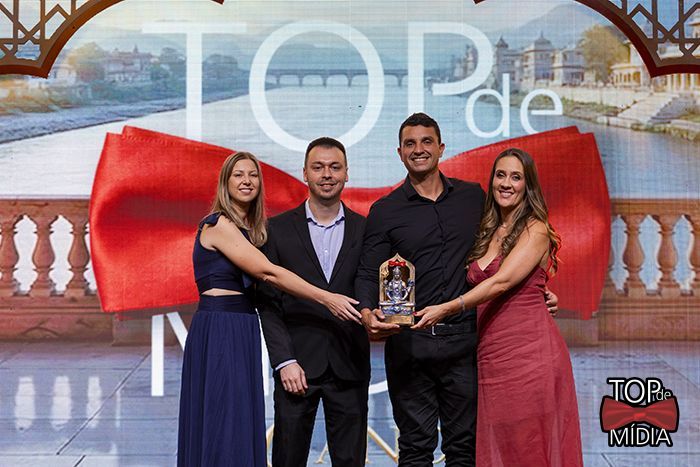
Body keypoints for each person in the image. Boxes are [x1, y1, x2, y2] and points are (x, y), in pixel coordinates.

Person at [355, 113, 557, 466]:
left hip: (465, 344)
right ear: (399, 153)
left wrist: (537, 289)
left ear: (441, 148)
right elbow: (368, 272)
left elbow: (508, 247)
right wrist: (367, 312)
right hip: (410, 344)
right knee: (415, 448)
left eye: (427, 141)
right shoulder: (385, 211)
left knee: (464, 449)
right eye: (410, 144)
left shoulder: (472, 197)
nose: (419, 149)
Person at [177, 151, 361, 467]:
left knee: (238, 419)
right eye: (238, 175)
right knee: (222, 418)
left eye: (253, 175)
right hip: (221, 327)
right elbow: (268, 273)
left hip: (242, 326)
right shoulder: (219, 225)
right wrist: (327, 298)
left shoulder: (253, 231)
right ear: (225, 183)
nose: (246, 181)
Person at [413, 148, 583, 466]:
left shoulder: (535, 229)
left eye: (516, 177)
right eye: (500, 175)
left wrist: (447, 308)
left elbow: (502, 282)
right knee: (502, 446)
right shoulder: (487, 228)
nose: (506, 183)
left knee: (529, 447)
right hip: (491, 356)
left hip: (530, 355)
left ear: (528, 185)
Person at [258, 137, 370, 467]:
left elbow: (372, 288)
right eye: (318, 167)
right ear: (305, 173)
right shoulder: (276, 230)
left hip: (349, 364)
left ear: (347, 173)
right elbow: (268, 304)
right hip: (296, 367)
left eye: (335, 167)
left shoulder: (366, 229)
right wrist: (284, 361)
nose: (327, 174)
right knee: (287, 460)